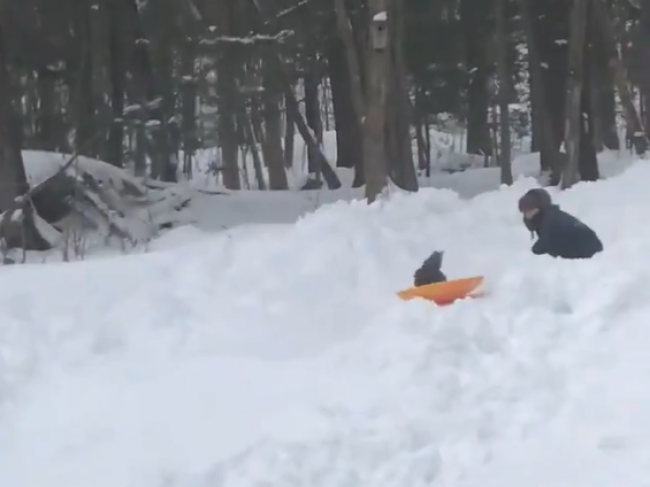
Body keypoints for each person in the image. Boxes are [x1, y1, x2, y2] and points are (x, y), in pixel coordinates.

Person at [518, 188, 603, 259]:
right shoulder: (550, 216)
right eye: (524, 212)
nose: (526, 214)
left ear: (539, 208)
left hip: (587, 251)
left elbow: (542, 246)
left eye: (530, 210)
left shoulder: (549, 221)